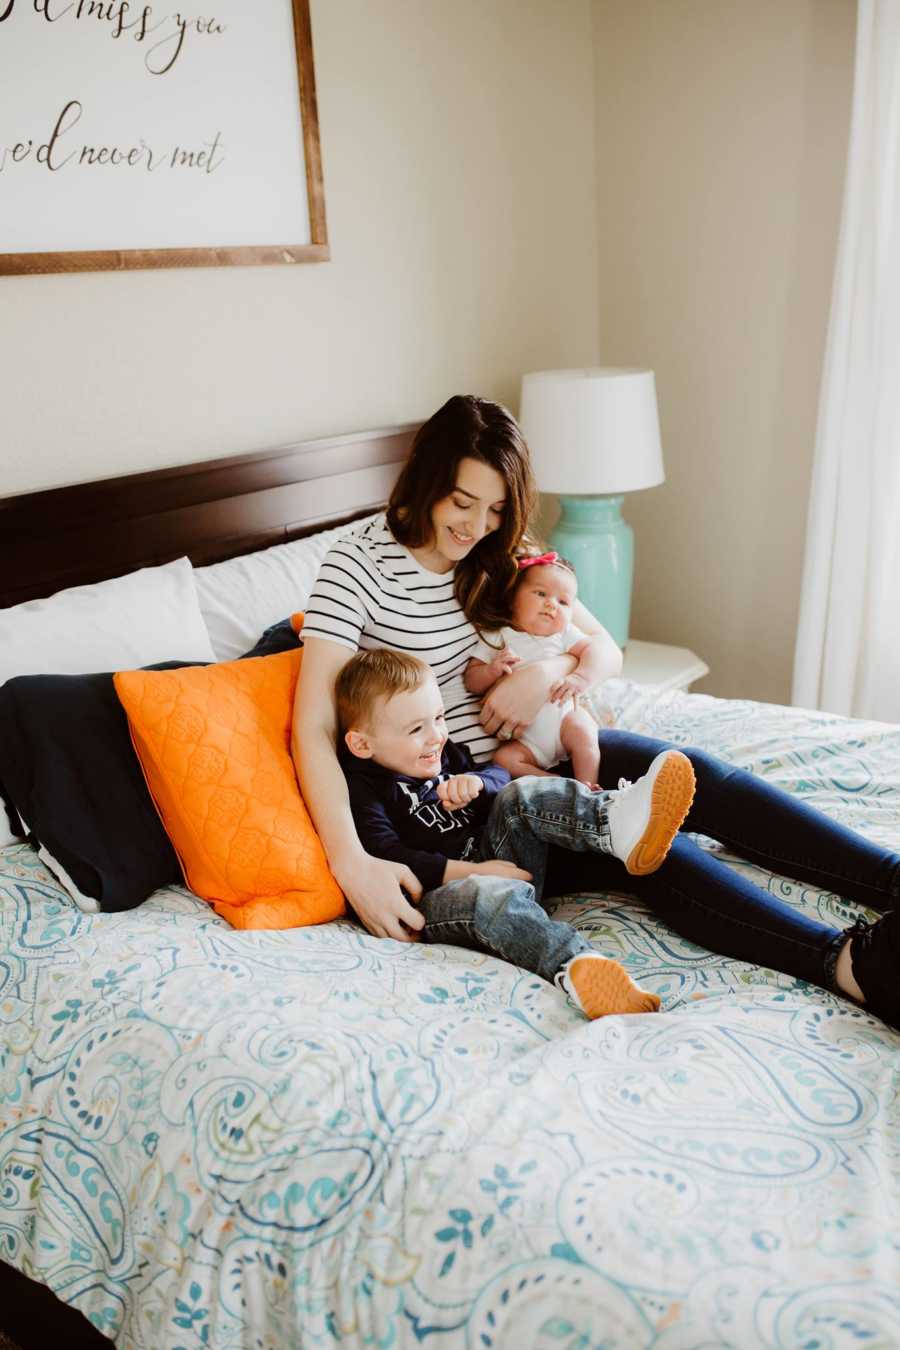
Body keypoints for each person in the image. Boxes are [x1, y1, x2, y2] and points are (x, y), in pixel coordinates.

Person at [292, 393, 900, 1029]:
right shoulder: (356, 566)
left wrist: (547, 674)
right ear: (425, 479)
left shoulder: (500, 550)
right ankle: (850, 964)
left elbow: (602, 649)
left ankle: (888, 878)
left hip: (539, 745)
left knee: (689, 770)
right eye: (462, 503)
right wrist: (352, 863)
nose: (476, 526)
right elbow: (314, 728)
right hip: (473, 804)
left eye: (498, 508)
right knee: (647, 849)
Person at [335, 647, 696, 1017]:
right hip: (443, 896)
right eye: (416, 729)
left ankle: (616, 824)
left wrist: (475, 782)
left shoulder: (442, 754)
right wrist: (475, 872)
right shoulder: (363, 787)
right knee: (486, 896)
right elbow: (388, 855)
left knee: (518, 793)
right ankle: (578, 968)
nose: (436, 736)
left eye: (439, 718)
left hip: (500, 859)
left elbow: (499, 774)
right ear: (362, 743)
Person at [464, 550, 603, 785]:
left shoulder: (564, 635)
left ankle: (588, 787)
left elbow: (594, 650)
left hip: (565, 721)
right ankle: (559, 784)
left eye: (563, 602)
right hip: (527, 741)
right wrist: (492, 670)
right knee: (503, 759)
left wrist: (580, 677)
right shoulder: (498, 636)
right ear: (512, 598)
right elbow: (471, 680)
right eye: (541, 593)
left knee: (585, 732)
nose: (552, 604)